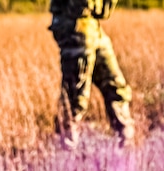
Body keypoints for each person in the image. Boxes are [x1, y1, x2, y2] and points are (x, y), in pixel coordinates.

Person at [49, 0, 135, 147]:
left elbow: (103, 12)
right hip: (75, 25)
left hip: (91, 25)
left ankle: (126, 143)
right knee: (75, 97)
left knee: (115, 86)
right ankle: (64, 152)